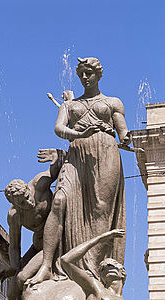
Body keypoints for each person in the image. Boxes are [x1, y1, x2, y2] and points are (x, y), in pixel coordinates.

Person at [28, 57, 131, 286]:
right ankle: (47, 265)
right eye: (81, 74)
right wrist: (79, 135)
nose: (85, 77)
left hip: (105, 153)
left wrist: (125, 137)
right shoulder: (68, 106)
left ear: (99, 75)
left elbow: (122, 128)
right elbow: (59, 128)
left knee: (102, 209)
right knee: (59, 201)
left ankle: (94, 269)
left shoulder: (113, 102)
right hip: (76, 156)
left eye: (89, 73)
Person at [1, 149, 66, 300]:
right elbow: (15, 246)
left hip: (56, 241)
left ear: (28, 189)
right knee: (11, 292)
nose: (27, 203)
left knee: (23, 279)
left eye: (26, 197)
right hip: (38, 246)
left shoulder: (39, 184)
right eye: (21, 203)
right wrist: (14, 266)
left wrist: (56, 157)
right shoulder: (14, 215)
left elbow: (61, 166)